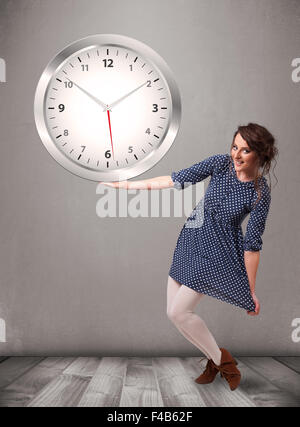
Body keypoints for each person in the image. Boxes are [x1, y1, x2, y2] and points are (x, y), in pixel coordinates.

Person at [100, 122, 278, 391]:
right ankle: (215, 359)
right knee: (173, 314)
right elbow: (174, 179)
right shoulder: (220, 165)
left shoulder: (259, 193)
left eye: (245, 150)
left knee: (179, 311)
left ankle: (224, 362)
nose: (237, 155)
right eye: (234, 147)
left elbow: (252, 245)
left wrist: (250, 289)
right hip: (190, 241)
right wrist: (125, 186)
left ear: (261, 155)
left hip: (217, 253)